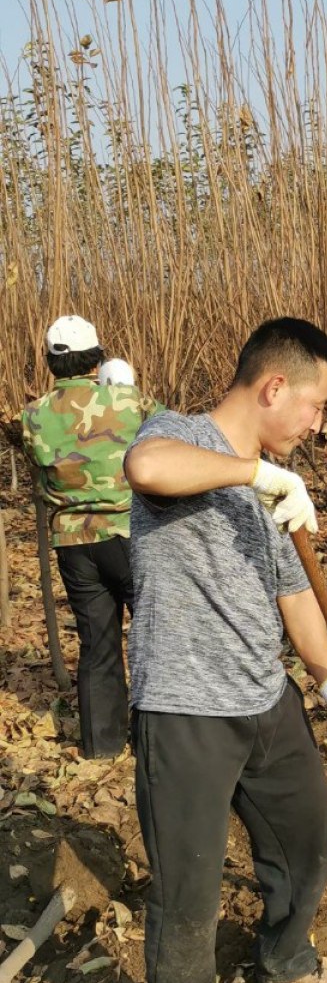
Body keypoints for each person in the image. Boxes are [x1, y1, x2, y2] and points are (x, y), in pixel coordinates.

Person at [124, 316, 327, 983]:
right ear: (274, 388)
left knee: (309, 837)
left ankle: (284, 961)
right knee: (190, 885)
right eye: (314, 406)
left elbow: (294, 588)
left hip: (263, 697)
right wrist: (249, 474)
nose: (318, 424)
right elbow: (147, 466)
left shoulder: (274, 482)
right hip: (183, 707)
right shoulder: (178, 436)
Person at [20, 315, 159, 759]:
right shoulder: (127, 402)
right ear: (98, 356)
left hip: (74, 544)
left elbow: (39, 466)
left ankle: (101, 746)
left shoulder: (34, 415)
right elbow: (165, 434)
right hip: (129, 532)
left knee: (97, 642)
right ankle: (156, 738)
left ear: (49, 362)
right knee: (154, 635)